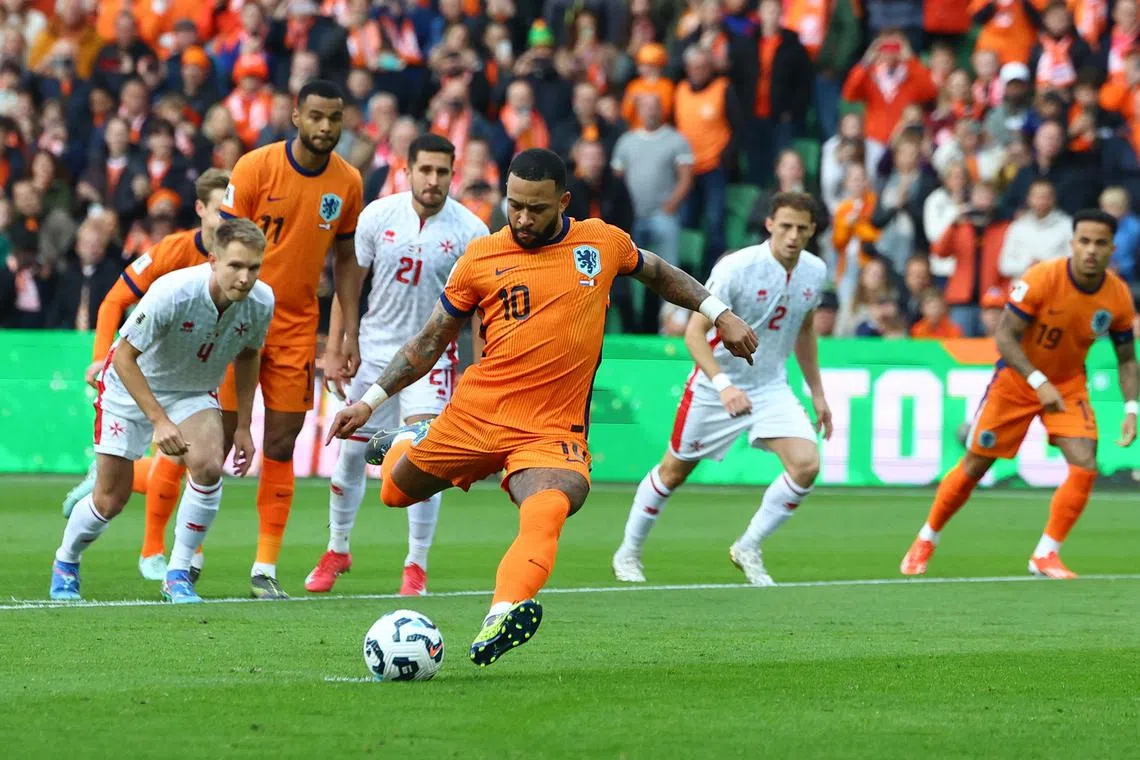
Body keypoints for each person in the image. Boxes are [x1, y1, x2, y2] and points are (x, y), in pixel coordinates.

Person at [324, 148, 757, 666]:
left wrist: (719, 312)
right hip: (475, 416)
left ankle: (500, 614)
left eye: (537, 208)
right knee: (395, 493)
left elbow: (661, 273)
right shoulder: (480, 257)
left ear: (563, 202)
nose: (523, 219)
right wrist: (371, 402)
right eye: (514, 206)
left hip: (551, 429)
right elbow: (429, 341)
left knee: (552, 503)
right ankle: (407, 439)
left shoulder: (600, 242)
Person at [901, 210, 1138, 580]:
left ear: (1112, 248)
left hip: (1068, 384)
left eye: (1100, 243)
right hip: (1016, 380)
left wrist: (1132, 408)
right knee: (976, 465)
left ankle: (1045, 554)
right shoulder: (1042, 278)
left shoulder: (1117, 296)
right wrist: (1038, 380)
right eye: (1084, 241)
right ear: (1073, 243)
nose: (1091, 250)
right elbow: (1005, 337)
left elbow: (1126, 358)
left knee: (1085, 462)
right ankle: (926, 538)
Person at [49, 219, 274, 603]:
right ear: (213, 260)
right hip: (128, 387)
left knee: (207, 466)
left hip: (192, 391)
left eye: (254, 267)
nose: (245, 278)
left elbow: (250, 355)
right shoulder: (173, 292)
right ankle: (66, 561)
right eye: (235, 265)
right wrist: (159, 421)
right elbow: (124, 358)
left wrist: (243, 426)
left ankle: (178, 574)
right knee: (110, 500)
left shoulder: (262, 302)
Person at [612, 192, 832, 586]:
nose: (792, 236)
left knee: (806, 465)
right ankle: (628, 551)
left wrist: (817, 392)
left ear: (812, 230)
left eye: (801, 228)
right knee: (673, 472)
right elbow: (694, 334)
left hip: (770, 386)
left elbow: (804, 330)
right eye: (785, 226)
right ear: (769, 225)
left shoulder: (815, 271)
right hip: (715, 387)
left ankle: (748, 546)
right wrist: (723, 385)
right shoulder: (737, 268)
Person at [305, 134, 488, 597]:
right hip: (373, 352)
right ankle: (337, 548)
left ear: (453, 174)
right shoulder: (377, 215)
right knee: (350, 454)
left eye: (442, 171)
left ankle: (415, 565)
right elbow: (350, 286)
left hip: (433, 359)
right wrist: (338, 346)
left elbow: (483, 309)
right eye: (425, 170)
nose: (433, 180)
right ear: (407, 171)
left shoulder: (472, 232)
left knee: (422, 459)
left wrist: (481, 367)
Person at [218, 79, 364, 600]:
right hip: (236, 319)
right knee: (213, 445)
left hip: (297, 325)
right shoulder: (255, 168)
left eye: (335, 118)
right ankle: (183, 559)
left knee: (281, 442)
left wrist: (344, 335)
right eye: (316, 116)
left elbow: (346, 261)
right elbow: (222, 246)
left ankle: (265, 567)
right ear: (296, 116)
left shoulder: (347, 182)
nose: (326, 127)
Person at [61, 170, 231, 586]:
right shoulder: (172, 251)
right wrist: (99, 358)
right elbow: (114, 300)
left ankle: (166, 552)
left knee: (200, 461)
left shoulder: (242, 264)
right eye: (220, 210)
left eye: (234, 210)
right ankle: (153, 548)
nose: (228, 218)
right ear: (200, 209)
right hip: (144, 368)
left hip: (196, 373)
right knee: (160, 466)